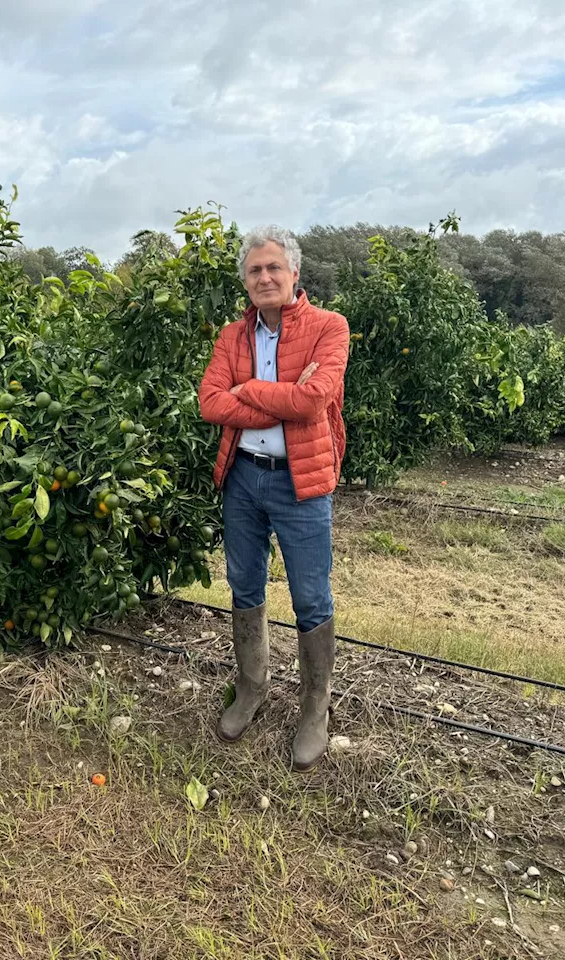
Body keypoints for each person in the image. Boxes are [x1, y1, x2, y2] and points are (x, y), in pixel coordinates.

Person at [198, 226, 349, 770]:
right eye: (255, 270)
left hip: (300, 483)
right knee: (243, 582)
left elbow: (314, 401)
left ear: (294, 274)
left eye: (274, 268)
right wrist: (281, 400)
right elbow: (211, 404)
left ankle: (315, 707)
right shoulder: (231, 337)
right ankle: (252, 686)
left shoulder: (329, 328)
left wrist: (248, 392)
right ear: (245, 280)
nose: (265, 277)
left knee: (310, 595)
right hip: (242, 477)